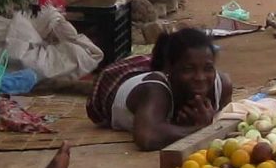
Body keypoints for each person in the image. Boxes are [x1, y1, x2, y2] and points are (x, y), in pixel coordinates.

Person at [95, 27, 234, 152]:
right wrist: (203, 128)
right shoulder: (154, 89)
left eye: (208, 68)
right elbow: (147, 137)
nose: (200, 77)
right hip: (115, 81)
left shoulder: (222, 85)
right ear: (169, 68)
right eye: (189, 69)